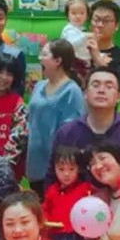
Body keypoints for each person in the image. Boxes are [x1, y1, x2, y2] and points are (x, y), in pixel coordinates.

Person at [46, 68, 120, 188]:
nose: (101, 90)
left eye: (109, 86)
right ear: (85, 93)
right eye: (95, 85)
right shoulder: (66, 133)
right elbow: (52, 177)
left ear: (119, 96)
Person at [25, 39, 85, 196]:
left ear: (58, 61)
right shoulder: (39, 86)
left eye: (44, 54)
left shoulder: (72, 91)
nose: (40, 58)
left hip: (57, 168)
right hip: (34, 162)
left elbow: (72, 134)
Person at [40, 145, 92, 240]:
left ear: (79, 169)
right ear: (54, 169)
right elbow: (45, 209)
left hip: (75, 238)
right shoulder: (52, 190)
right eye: (61, 169)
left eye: (71, 169)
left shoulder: (85, 189)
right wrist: (44, 220)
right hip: (54, 237)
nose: (66, 174)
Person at [85, 0, 120, 94]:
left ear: (116, 26)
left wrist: (97, 58)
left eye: (106, 21)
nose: (100, 25)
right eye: (96, 20)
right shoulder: (77, 52)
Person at [59, 0, 92, 76]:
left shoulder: (81, 30)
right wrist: (85, 36)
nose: (78, 16)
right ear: (67, 15)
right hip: (73, 65)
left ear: (87, 15)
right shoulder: (69, 29)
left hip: (84, 65)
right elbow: (70, 45)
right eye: (73, 13)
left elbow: (84, 50)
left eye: (82, 13)